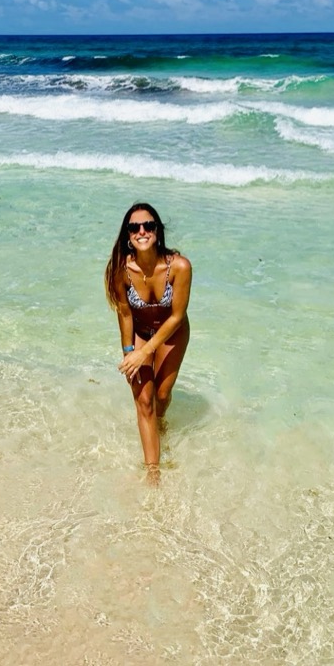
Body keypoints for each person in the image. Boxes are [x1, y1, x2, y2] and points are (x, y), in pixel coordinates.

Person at [104, 202, 192, 484]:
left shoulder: (179, 266)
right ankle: (153, 472)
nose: (142, 231)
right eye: (134, 227)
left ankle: (160, 424)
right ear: (127, 235)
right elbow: (126, 314)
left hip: (172, 333)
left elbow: (177, 317)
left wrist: (147, 351)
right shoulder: (122, 270)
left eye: (148, 226)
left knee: (161, 396)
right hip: (140, 332)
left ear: (157, 231)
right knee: (144, 401)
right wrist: (130, 352)